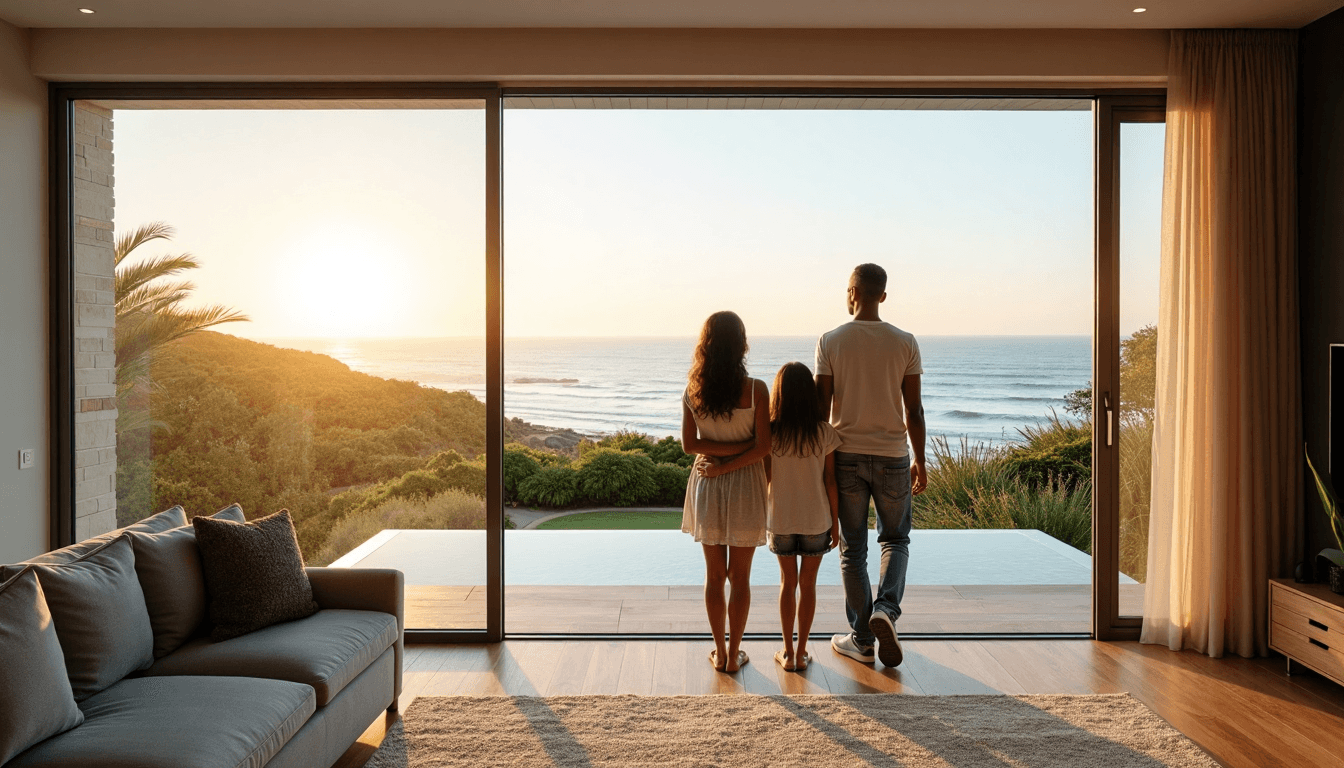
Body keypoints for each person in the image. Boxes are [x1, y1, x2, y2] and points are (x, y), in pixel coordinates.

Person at [817, 263, 926, 668]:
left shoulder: (830, 341)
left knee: (852, 551)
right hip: (893, 456)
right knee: (895, 541)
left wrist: (817, 466)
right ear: (882, 296)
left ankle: (862, 640)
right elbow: (914, 410)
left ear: (852, 293)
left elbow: (820, 411)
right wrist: (920, 460)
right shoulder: (905, 342)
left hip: (845, 455)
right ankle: (886, 612)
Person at [681, 310, 771, 674]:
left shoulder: (693, 390)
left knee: (715, 576)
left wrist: (718, 464)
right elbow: (763, 447)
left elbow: (690, 445)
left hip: (708, 481)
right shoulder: (756, 390)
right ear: (742, 345)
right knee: (740, 578)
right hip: (746, 484)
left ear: (706, 345)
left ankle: (719, 653)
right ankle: (734, 655)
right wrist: (739, 451)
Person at [763, 362, 842, 672]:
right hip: (816, 520)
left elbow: (765, 479)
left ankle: (787, 653)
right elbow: (830, 481)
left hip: (781, 520)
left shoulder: (771, 434)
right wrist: (835, 523)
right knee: (808, 585)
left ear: (778, 394)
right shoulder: (824, 432)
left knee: (787, 583)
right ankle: (801, 652)